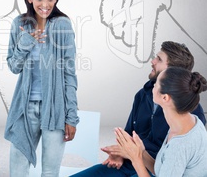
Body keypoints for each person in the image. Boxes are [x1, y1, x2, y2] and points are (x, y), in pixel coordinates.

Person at [70, 41, 206, 177]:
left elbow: (170, 163)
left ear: (173, 72)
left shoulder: (184, 128)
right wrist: (124, 152)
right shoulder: (148, 97)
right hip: (139, 162)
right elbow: (131, 136)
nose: (152, 61)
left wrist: (136, 156)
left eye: (159, 59)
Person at [4, 0, 79, 176]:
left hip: (55, 107)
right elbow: (13, 66)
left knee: (50, 171)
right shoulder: (20, 24)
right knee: (18, 168)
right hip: (25, 106)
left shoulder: (63, 24)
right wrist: (26, 42)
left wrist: (71, 115)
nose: (45, 4)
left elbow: (69, 72)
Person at [115, 67, 207, 176]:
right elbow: (164, 170)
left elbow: (174, 156)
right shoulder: (186, 122)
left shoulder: (179, 145)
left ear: (165, 98)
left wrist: (135, 158)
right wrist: (141, 152)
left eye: (157, 83)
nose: (153, 85)